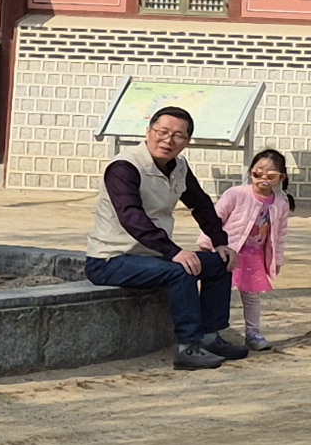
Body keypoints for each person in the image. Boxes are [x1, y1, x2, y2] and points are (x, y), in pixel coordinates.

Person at [85, 103, 246, 371]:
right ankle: (188, 347)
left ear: (187, 141)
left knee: (220, 263)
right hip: (112, 259)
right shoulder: (124, 167)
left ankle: (210, 336)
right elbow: (131, 217)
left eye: (178, 135)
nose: (168, 140)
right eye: (162, 131)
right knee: (181, 270)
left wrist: (220, 242)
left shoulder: (179, 166)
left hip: (154, 257)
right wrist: (174, 252)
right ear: (148, 131)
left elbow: (200, 204)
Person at [217, 147, 297, 349]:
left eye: (270, 175)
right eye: (258, 173)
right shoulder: (236, 194)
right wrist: (207, 245)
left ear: (281, 178)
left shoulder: (281, 203)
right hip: (229, 252)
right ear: (250, 171)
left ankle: (253, 333)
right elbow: (214, 219)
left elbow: (280, 234)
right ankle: (211, 330)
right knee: (220, 292)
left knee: (252, 296)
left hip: (254, 257)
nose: (263, 178)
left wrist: (277, 259)